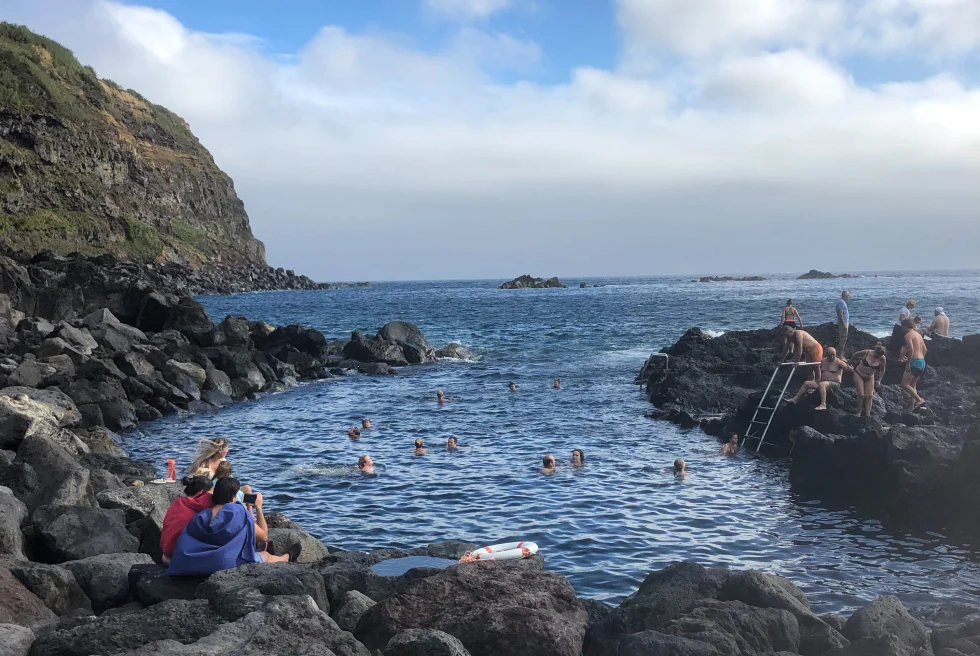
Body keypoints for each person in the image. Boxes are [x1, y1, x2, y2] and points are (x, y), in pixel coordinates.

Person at [167, 477, 296, 576]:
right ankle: (285, 558)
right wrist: (258, 508)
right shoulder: (238, 512)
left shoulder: (201, 515)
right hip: (223, 563)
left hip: (193, 562)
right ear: (234, 497)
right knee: (265, 555)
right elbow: (263, 536)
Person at [159, 476, 213, 564]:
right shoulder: (201, 509)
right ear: (201, 493)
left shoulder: (178, 503)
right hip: (180, 557)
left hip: (166, 553)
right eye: (210, 494)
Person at [786, 347, 853, 410]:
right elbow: (816, 369)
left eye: (834, 355)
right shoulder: (823, 361)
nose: (832, 357)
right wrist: (816, 378)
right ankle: (795, 399)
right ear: (827, 355)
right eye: (830, 355)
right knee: (807, 383)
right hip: (822, 383)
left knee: (822, 384)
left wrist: (849, 367)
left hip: (835, 384)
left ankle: (823, 404)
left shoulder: (839, 362)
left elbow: (848, 368)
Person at [850, 345, 887, 417]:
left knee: (869, 396)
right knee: (861, 395)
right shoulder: (867, 352)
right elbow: (856, 354)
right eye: (877, 354)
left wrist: (879, 380)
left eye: (879, 355)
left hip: (870, 377)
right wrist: (850, 363)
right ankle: (858, 412)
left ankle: (868, 415)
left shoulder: (882, 358)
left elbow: (882, 370)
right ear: (875, 351)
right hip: (859, 373)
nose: (878, 356)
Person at [899, 319, 928, 410]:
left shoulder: (908, 335)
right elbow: (925, 349)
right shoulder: (918, 334)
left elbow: (911, 349)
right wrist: (919, 359)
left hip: (915, 362)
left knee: (904, 384)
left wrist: (908, 363)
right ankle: (912, 406)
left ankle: (919, 400)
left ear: (905, 327)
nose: (901, 329)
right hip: (922, 361)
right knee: (912, 385)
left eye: (902, 327)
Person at [836, 291, 850, 355]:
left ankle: (840, 353)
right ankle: (840, 354)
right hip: (843, 322)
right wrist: (843, 324)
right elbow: (840, 314)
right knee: (843, 338)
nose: (849, 297)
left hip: (845, 322)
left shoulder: (842, 302)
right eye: (848, 295)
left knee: (844, 338)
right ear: (845, 295)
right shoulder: (841, 302)